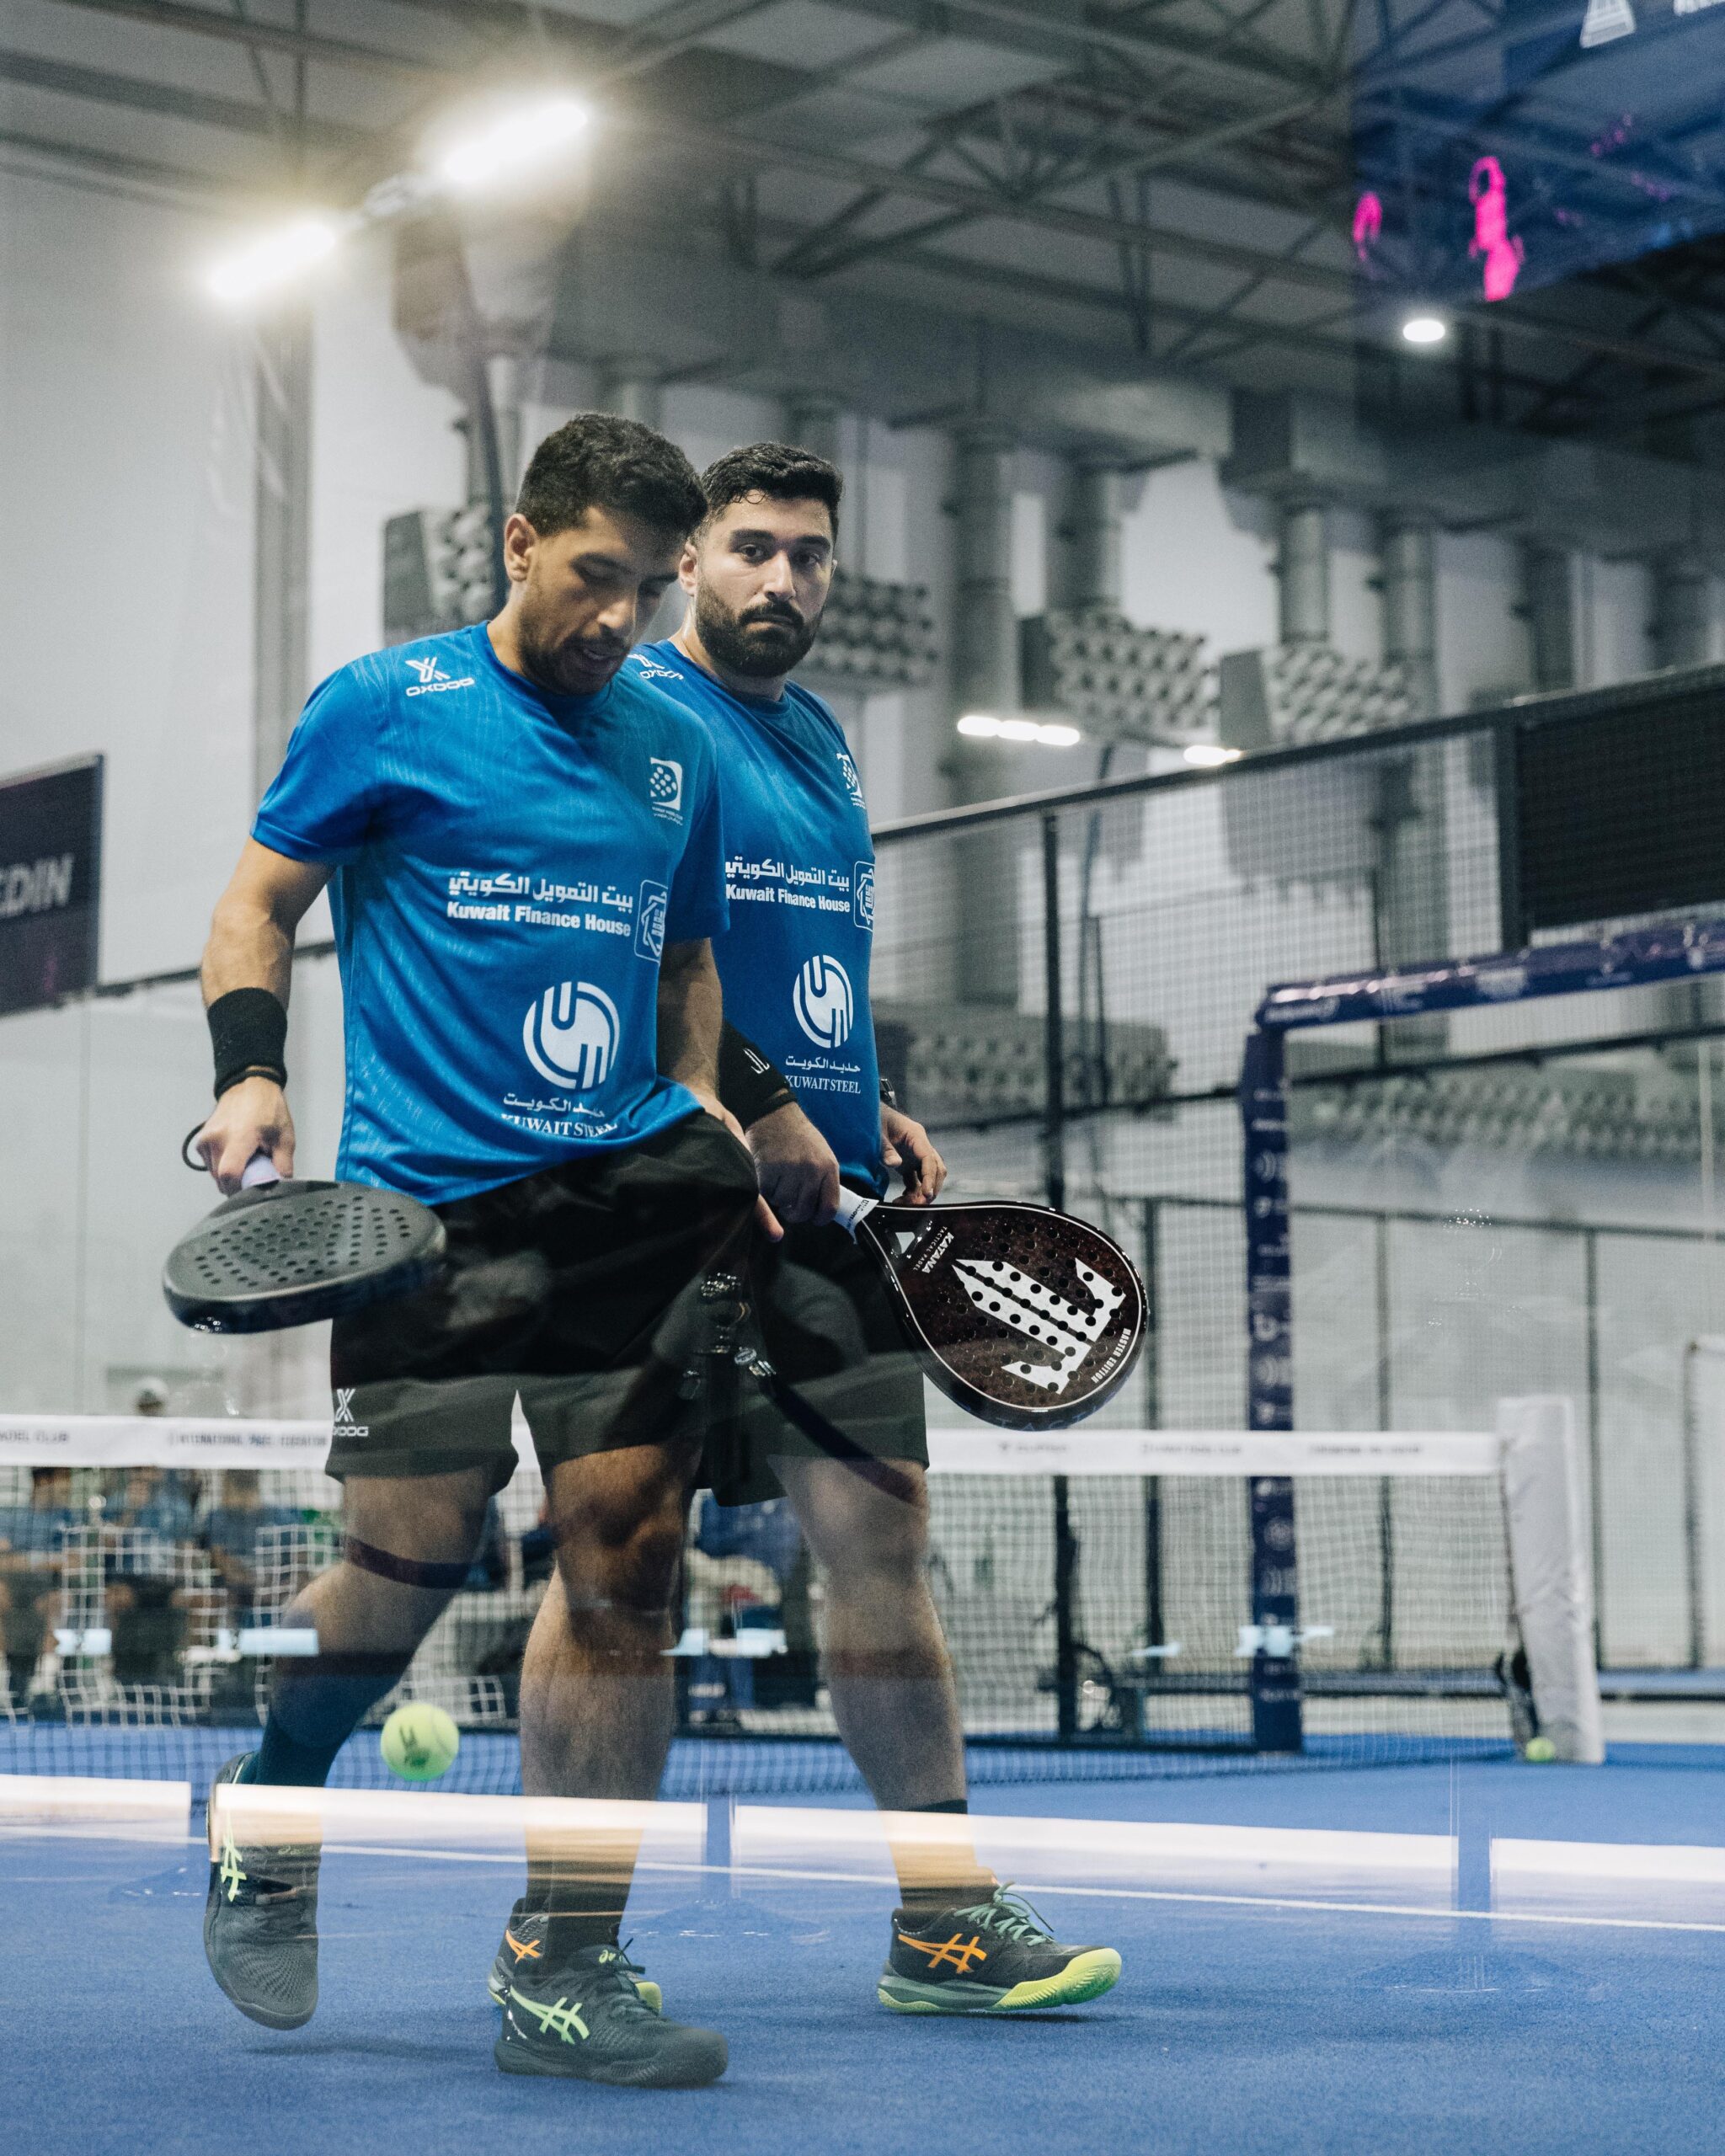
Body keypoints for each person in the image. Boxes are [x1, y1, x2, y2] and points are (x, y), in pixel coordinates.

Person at [191, 412, 767, 2088]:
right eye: (594, 575)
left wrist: (694, 1091)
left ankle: (563, 1962)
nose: (620, 618)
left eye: (650, 588)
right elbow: (257, 905)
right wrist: (250, 1073)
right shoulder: (387, 705)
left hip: (623, 1211)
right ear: (518, 543)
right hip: (422, 1218)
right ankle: (272, 1797)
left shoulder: (676, 741)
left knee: (626, 1563)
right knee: (404, 1571)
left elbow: (687, 955)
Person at [579, 440, 1123, 2018]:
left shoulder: (819, 736)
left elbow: (807, 950)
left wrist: (864, 1098)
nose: (783, 578)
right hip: (664, 1201)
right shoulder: (637, 713)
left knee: (884, 1546)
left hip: (831, 1211)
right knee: (625, 1563)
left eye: (810, 555)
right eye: (753, 547)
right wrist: (759, 1105)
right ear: (691, 560)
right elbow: (631, 950)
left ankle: (942, 1918)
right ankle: (568, 1942)